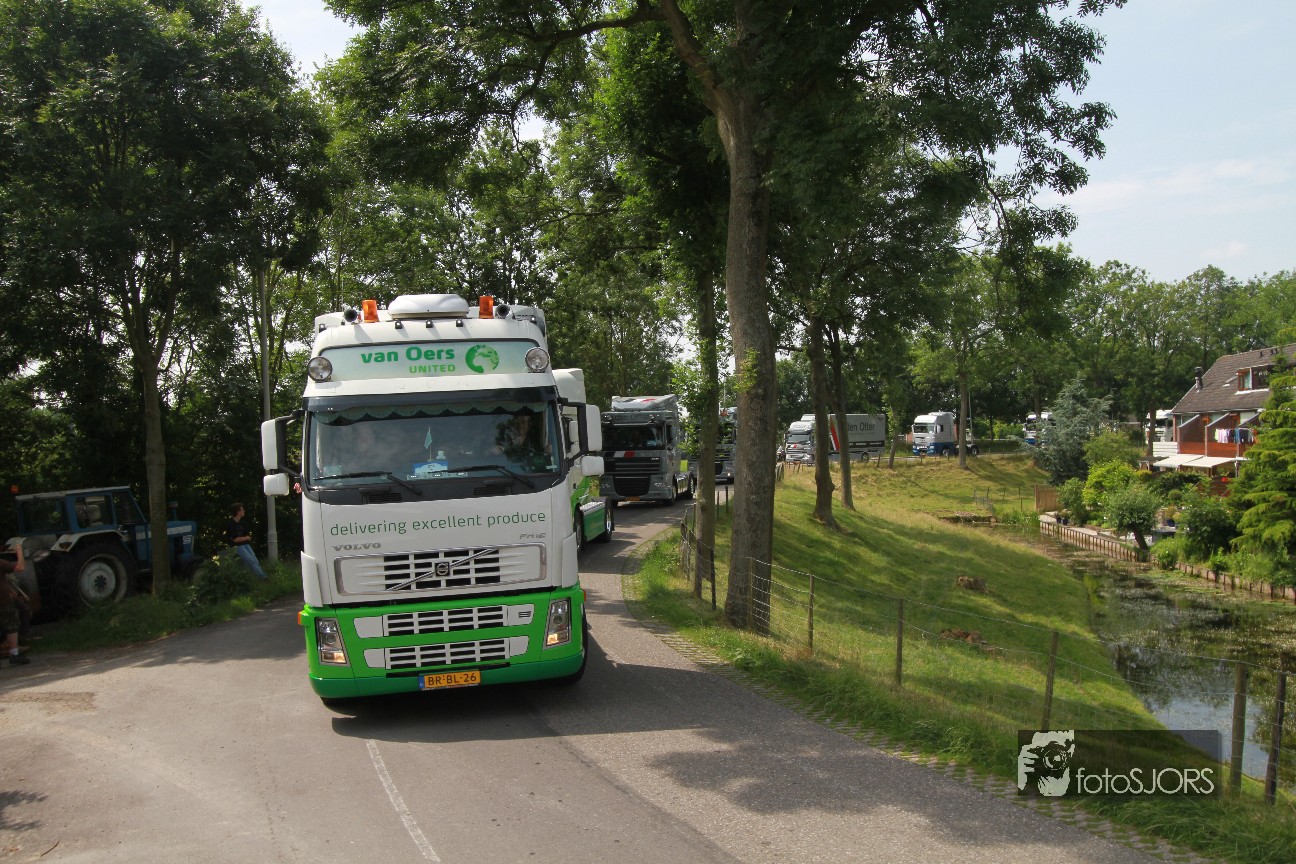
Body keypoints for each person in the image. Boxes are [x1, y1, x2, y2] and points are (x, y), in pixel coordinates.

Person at [1, 546, 31, 665]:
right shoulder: (1, 563)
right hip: (3, 601)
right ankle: (14, 654)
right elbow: (20, 567)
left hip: (5, 598)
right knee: (11, 626)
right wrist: (19, 551)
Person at [223, 503, 267, 579]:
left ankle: (246, 577)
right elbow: (235, 539)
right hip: (237, 546)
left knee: (255, 560)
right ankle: (263, 577)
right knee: (251, 561)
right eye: (242, 509)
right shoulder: (231, 524)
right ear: (238, 511)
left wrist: (245, 538)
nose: (244, 511)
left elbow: (248, 536)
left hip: (246, 544)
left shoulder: (242, 523)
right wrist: (245, 538)